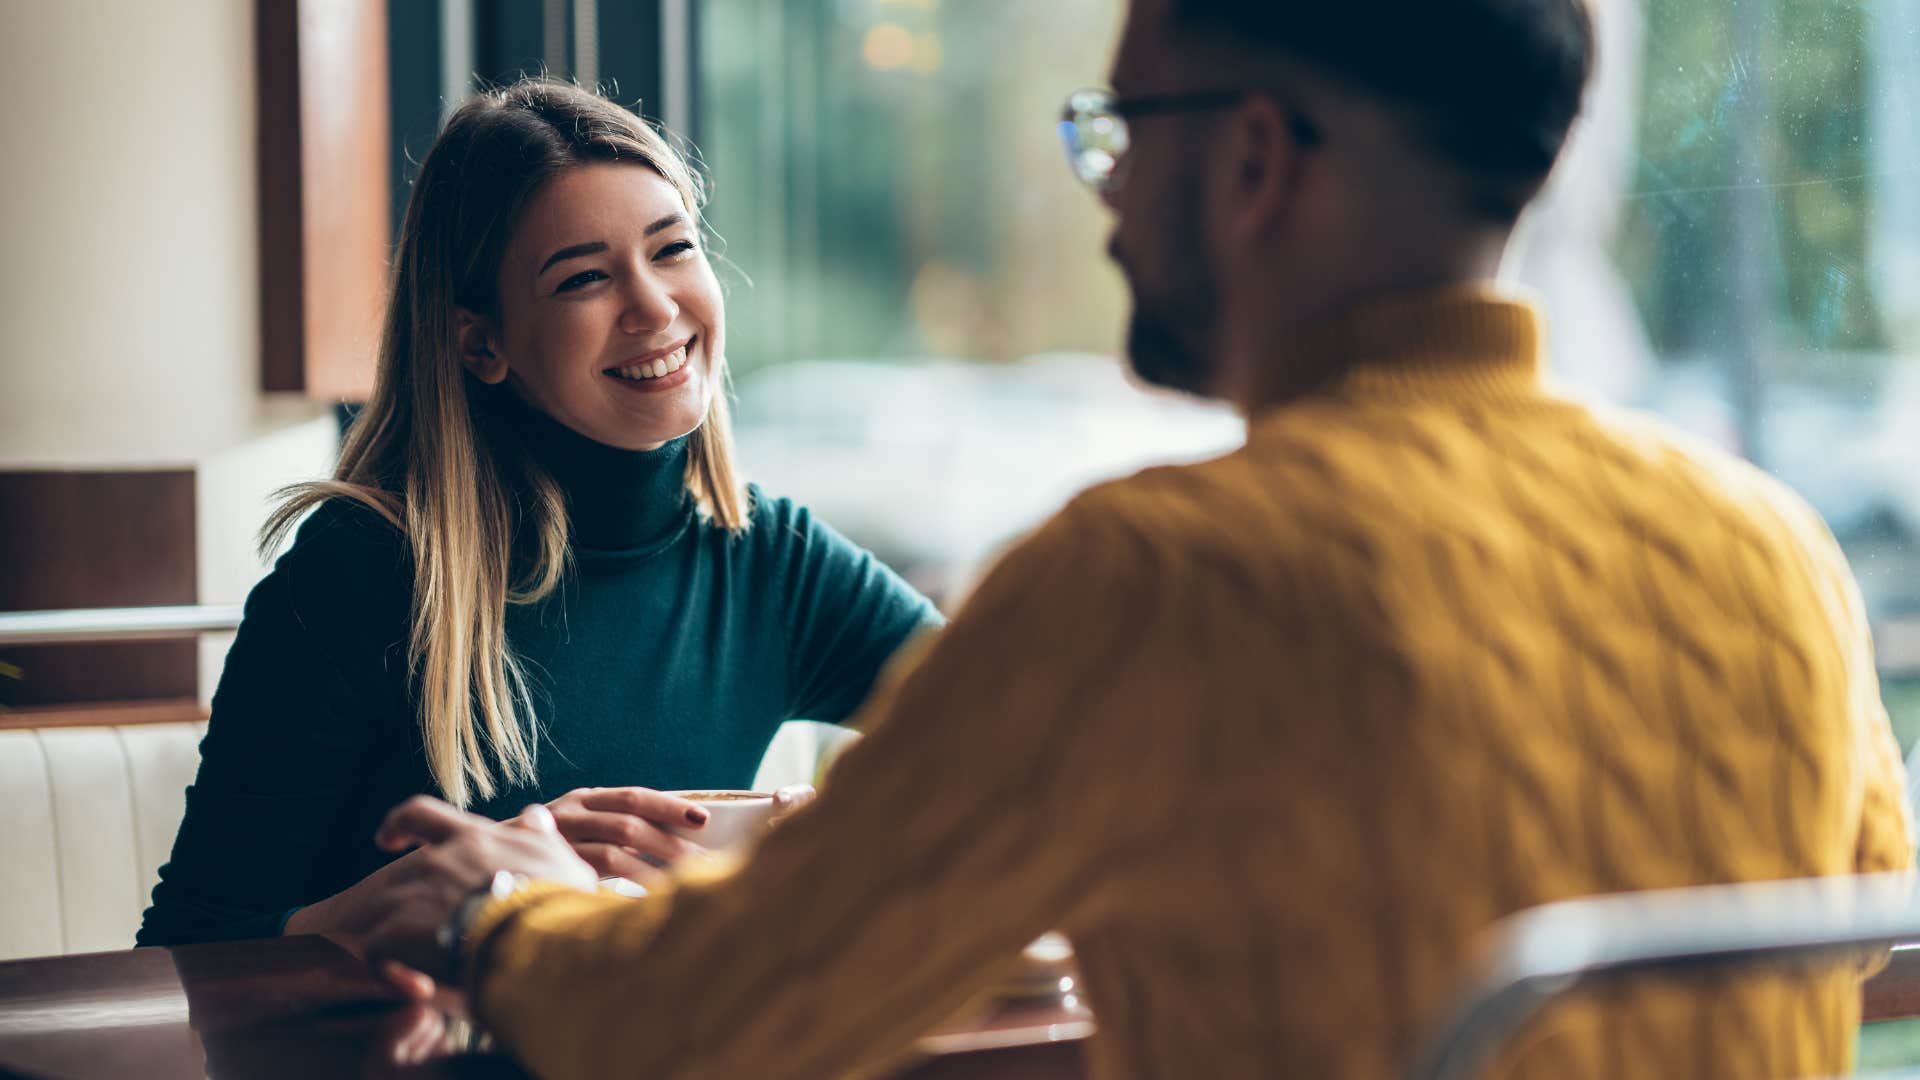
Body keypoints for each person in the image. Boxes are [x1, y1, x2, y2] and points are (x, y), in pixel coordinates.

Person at [355, 2, 1914, 1077]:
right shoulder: (1772, 548)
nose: (1101, 200)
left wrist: (498, 915)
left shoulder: (1163, 578)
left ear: (1250, 158)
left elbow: (720, 1018)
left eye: (1115, 131)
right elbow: (1864, 946)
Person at [136, 80, 939, 947]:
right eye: (585, 278)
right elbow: (184, 949)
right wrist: (401, 902)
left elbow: (1027, 730)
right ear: (481, 343)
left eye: (673, 250)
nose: (656, 306)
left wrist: (829, 849)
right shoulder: (360, 573)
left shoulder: (772, 559)